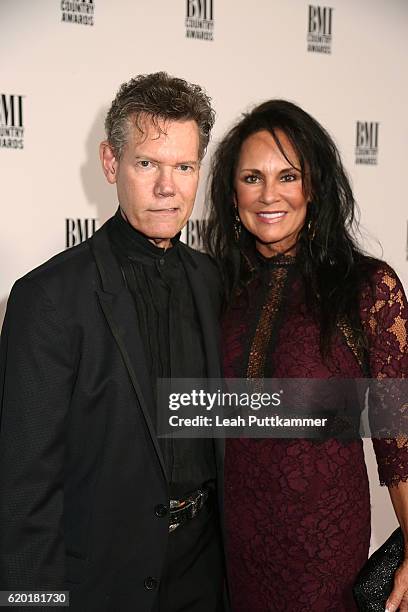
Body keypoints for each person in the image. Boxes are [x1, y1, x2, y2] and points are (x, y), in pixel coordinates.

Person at [0, 72, 226, 612]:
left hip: (206, 575)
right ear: (110, 163)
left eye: (184, 166)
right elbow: (23, 491)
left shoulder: (215, 281)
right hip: (102, 582)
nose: (167, 187)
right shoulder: (47, 298)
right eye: (147, 163)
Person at [204, 99, 408, 611]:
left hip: (321, 550)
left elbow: (398, 438)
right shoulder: (217, 292)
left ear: (313, 187)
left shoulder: (366, 287)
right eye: (252, 177)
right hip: (228, 548)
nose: (269, 194)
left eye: (287, 176)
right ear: (232, 195)